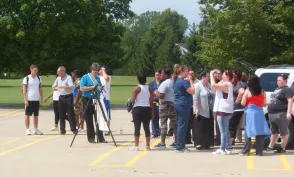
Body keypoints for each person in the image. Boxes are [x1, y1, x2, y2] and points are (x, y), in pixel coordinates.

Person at [239, 75, 270, 156]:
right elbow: (263, 104)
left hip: (250, 113)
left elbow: (242, 103)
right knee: (260, 132)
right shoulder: (262, 91)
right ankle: (259, 151)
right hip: (259, 113)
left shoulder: (248, 90)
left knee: (248, 131)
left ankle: (246, 150)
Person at [267, 74, 293, 153]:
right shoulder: (277, 89)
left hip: (281, 113)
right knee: (273, 131)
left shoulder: (287, 90)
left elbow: (290, 100)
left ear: (285, 81)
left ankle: (283, 147)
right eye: (277, 80)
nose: (277, 81)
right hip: (272, 113)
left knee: (283, 131)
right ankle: (270, 146)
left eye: (279, 80)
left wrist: (288, 112)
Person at [80, 63, 106, 143]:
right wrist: (92, 87)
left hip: (96, 98)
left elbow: (98, 88)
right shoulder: (85, 77)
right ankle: (91, 138)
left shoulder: (98, 78)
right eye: (95, 71)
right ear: (91, 70)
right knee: (89, 119)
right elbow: (82, 88)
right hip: (87, 99)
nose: (96, 73)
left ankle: (100, 137)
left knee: (98, 118)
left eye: (97, 71)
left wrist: (100, 88)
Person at [211, 70, 234, 155]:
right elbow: (213, 89)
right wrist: (219, 80)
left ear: (227, 77)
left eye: (223, 75)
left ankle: (222, 148)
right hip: (225, 109)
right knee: (225, 130)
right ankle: (227, 148)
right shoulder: (226, 84)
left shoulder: (226, 84)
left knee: (222, 130)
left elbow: (213, 85)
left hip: (223, 109)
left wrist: (211, 74)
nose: (222, 76)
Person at [153, 68, 177, 149]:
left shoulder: (165, 83)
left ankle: (162, 142)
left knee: (163, 123)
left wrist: (156, 93)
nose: (160, 75)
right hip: (173, 103)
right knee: (175, 123)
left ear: (166, 75)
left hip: (164, 105)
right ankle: (177, 141)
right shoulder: (173, 82)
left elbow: (161, 95)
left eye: (162, 74)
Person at [173, 65, 195, 152]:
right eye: (186, 71)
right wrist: (190, 81)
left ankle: (179, 144)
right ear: (182, 72)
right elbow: (193, 91)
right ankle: (180, 146)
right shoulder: (183, 81)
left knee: (180, 125)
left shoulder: (176, 81)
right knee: (182, 126)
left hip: (178, 104)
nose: (188, 73)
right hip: (183, 104)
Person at [129, 74, 153, 151]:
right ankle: (148, 146)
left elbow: (132, 100)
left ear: (138, 80)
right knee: (147, 128)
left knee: (137, 128)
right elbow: (151, 100)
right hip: (147, 108)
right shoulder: (149, 88)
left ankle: (136, 146)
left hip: (137, 108)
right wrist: (152, 111)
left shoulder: (136, 88)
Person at [52, 66, 77, 135]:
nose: (57, 73)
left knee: (70, 113)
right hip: (61, 97)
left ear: (63, 72)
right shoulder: (58, 78)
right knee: (61, 114)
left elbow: (71, 87)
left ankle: (74, 129)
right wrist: (56, 88)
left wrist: (63, 87)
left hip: (68, 97)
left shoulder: (68, 77)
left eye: (58, 72)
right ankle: (62, 130)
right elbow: (53, 87)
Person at [193, 71, 214, 150]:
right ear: (203, 77)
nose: (208, 78)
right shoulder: (197, 86)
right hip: (200, 109)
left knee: (207, 126)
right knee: (199, 127)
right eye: (207, 76)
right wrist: (197, 109)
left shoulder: (208, 85)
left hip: (209, 109)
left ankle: (207, 143)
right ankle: (198, 143)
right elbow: (195, 99)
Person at [22, 64, 43, 135]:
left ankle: (35, 129)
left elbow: (40, 88)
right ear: (31, 70)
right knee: (27, 115)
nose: (36, 71)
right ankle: (27, 129)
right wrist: (25, 99)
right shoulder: (26, 78)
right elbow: (24, 89)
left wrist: (41, 97)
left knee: (36, 115)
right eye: (34, 70)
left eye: (37, 70)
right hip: (29, 99)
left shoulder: (38, 78)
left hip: (36, 100)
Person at [229, 70, 245, 146]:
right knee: (233, 125)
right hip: (237, 108)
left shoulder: (238, 84)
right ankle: (232, 141)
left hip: (237, 108)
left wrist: (236, 101)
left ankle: (230, 143)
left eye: (233, 75)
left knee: (231, 125)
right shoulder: (234, 84)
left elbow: (242, 92)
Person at [148, 70, 162, 138]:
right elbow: (149, 93)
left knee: (161, 118)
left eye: (158, 75)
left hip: (161, 102)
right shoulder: (151, 84)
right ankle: (154, 132)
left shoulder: (163, 83)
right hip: (154, 102)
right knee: (153, 117)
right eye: (156, 75)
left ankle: (161, 132)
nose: (157, 76)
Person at [98, 66, 111, 135]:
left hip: (105, 98)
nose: (99, 70)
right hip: (98, 98)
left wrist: (103, 71)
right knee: (99, 114)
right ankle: (100, 129)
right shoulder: (97, 77)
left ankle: (107, 129)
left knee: (107, 115)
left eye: (101, 69)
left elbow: (106, 78)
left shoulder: (108, 77)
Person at [186, 70, 198, 144]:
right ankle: (187, 139)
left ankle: (195, 139)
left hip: (195, 105)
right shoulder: (185, 82)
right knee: (187, 124)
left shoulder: (198, 82)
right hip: (188, 105)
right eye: (189, 74)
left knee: (195, 123)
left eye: (192, 73)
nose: (191, 75)